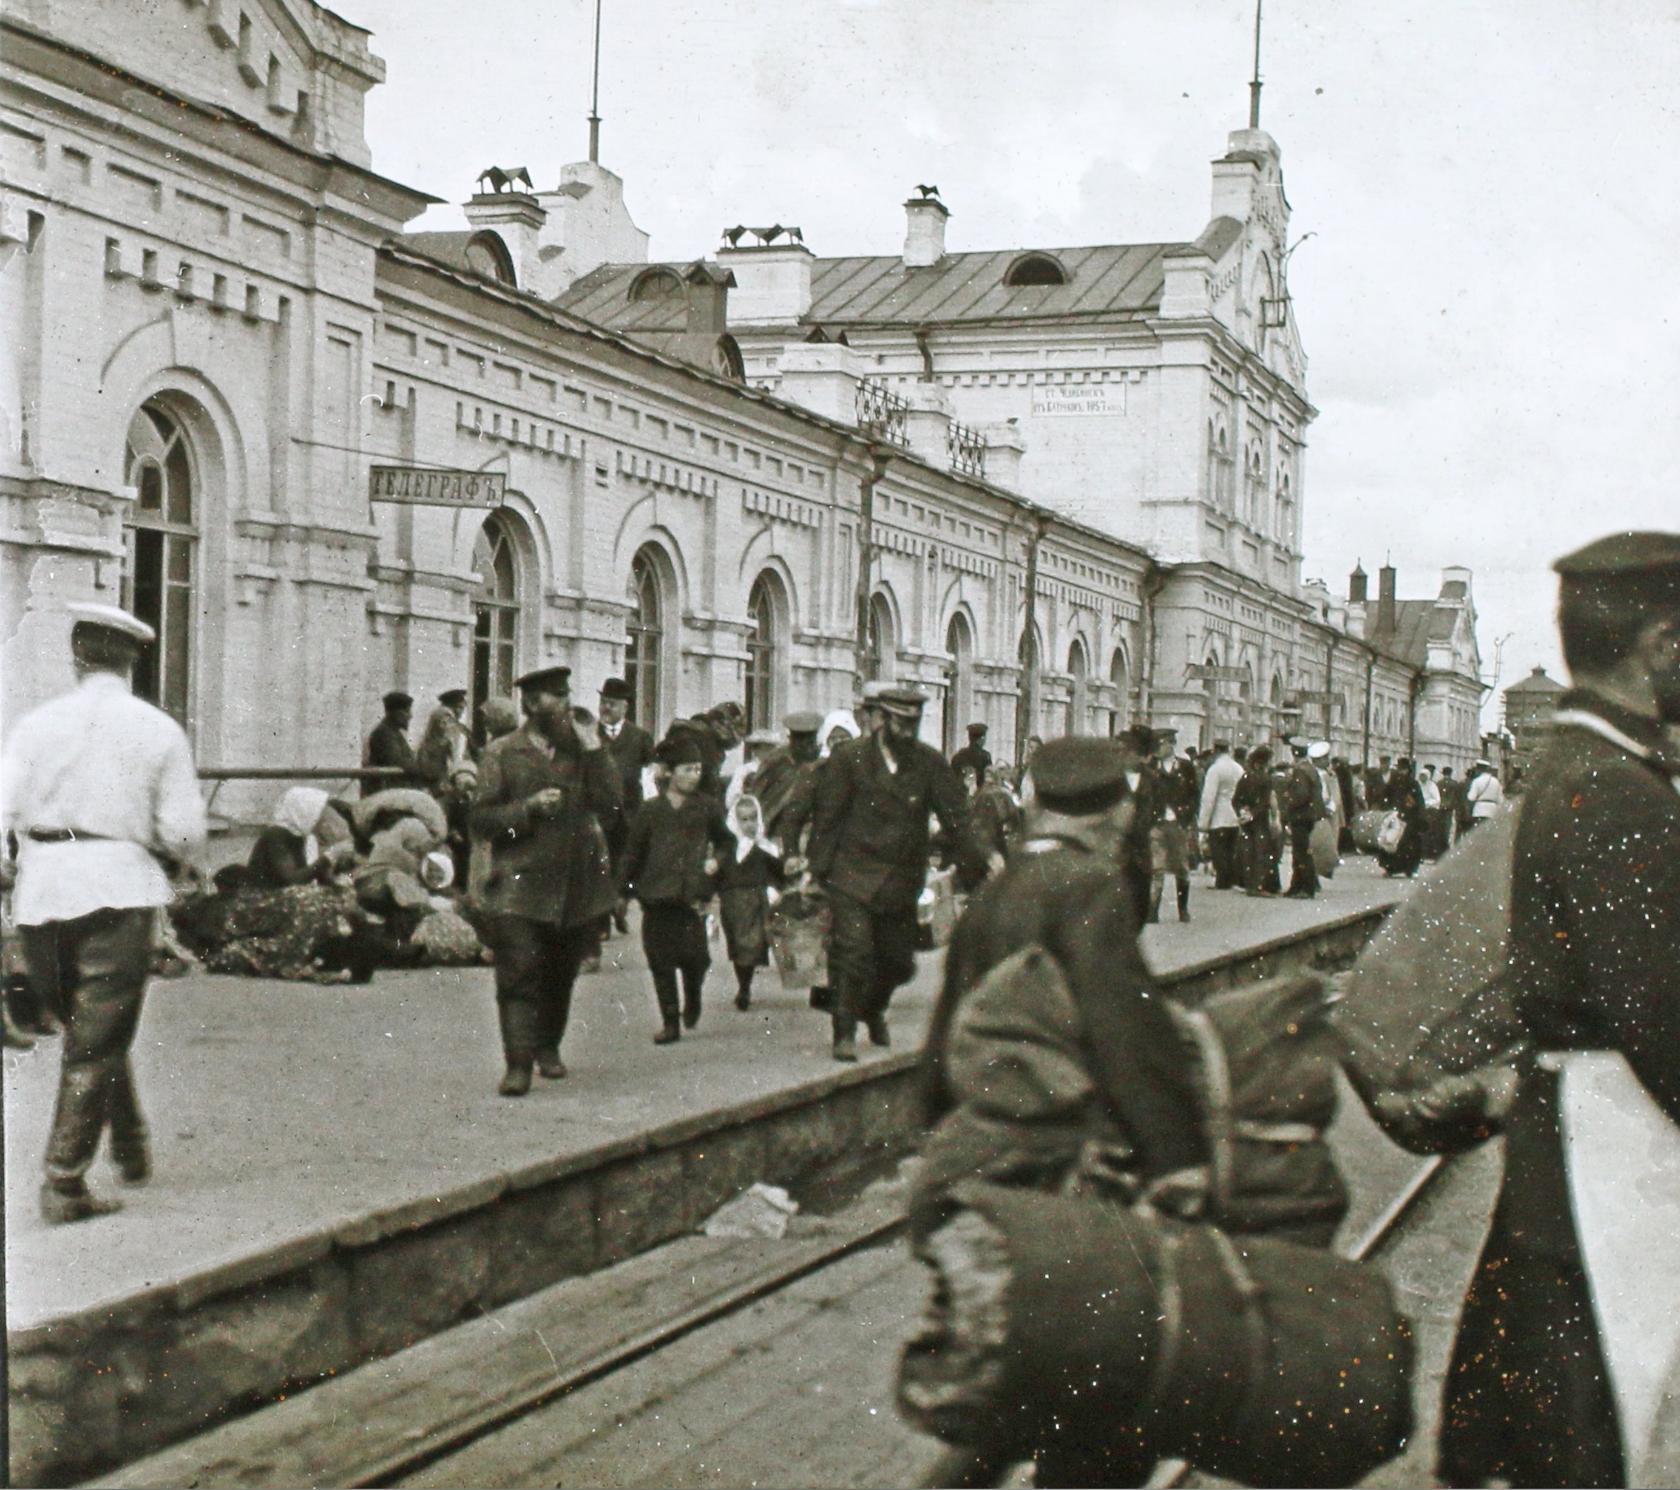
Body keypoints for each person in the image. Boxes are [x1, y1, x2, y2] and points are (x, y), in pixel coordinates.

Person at [1438, 532, 1680, 1489]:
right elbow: (1661, 1013)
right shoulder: (1620, 790)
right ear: (1661, 642)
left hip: (1582, 1131)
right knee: (1591, 1422)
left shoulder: (1587, 768)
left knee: (1556, 1411)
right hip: (1608, 1143)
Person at [913, 735, 1209, 1489]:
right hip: (1062, 1164)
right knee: (1104, 1393)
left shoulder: (1004, 889)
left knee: (1019, 1368)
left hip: (989, 1157)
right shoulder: (1090, 886)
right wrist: (1179, 1157)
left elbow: (950, 1022)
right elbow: (1125, 1032)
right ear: (1114, 814)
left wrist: (942, 1132)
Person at [1, 603, 207, 1223]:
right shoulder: (157, 729)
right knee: (98, 1036)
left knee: (85, 1026)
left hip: (42, 891)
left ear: (76, 657)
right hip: (118, 887)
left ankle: (131, 1141)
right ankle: (64, 1185)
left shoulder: (35, 724)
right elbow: (183, 831)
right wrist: (182, 861)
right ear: (133, 661)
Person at [808, 686, 989, 1062]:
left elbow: (958, 818)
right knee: (852, 952)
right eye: (900, 722)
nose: (907, 731)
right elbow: (828, 818)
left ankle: (872, 1009)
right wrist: (817, 871)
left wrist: (982, 865)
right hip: (852, 874)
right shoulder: (851, 759)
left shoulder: (928, 763)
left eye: (913, 723)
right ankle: (843, 1029)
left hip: (901, 878)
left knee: (898, 963)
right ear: (883, 720)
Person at [470, 666, 620, 1095]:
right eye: (558, 695)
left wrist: (594, 749)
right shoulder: (502, 752)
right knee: (517, 972)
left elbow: (611, 808)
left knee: (560, 974)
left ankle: (548, 1048)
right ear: (533, 705)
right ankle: (517, 1064)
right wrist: (528, 809)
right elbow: (481, 821)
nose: (568, 703)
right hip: (519, 882)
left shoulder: (583, 751)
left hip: (576, 884)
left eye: (566, 693)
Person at [619, 735, 732, 1044]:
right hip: (656, 897)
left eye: (697, 770)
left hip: (691, 897)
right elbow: (633, 853)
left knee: (697, 959)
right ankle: (670, 1021)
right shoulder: (650, 811)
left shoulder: (706, 807)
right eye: (687, 769)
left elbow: (726, 842)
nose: (694, 775)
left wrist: (715, 863)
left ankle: (693, 995)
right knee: (660, 961)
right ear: (668, 772)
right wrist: (622, 890)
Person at [596, 677, 656, 933]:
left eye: (612, 703)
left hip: (630, 815)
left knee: (626, 866)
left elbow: (649, 774)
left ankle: (619, 906)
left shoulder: (640, 737)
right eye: (603, 702)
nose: (606, 708)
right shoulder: (590, 735)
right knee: (598, 866)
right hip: (598, 815)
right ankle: (601, 922)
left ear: (625, 707)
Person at [715, 793, 784, 1012]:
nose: (749, 824)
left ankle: (744, 988)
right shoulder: (727, 849)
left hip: (757, 900)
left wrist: (778, 888)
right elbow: (717, 875)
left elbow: (779, 874)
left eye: (753, 818)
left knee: (751, 944)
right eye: (743, 819)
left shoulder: (765, 849)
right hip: (733, 902)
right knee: (739, 945)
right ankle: (743, 984)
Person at [1145, 732, 1197, 923]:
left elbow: (1193, 795)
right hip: (1156, 824)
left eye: (1164, 744)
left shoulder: (1185, 767)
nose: (1160, 748)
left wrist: (1186, 819)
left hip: (1177, 823)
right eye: (1157, 745)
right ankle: (1153, 911)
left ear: (1173, 744)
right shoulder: (1151, 767)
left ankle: (1183, 909)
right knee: (1157, 869)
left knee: (1181, 868)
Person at [751, 711, 822, 846]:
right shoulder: (776, 762)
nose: (808, 747)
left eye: (811, 741)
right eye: (800, 740)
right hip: (775, 834)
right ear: (792, 739)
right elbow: (759, 795)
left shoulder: (820, 762)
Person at [1197, 740, 1245, 889]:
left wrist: (1203, 822)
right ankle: (1230, 879)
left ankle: (1222, 880)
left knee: (1219, 850)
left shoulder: (1215, 769)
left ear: (1216, 751)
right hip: (1235, 815)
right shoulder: (1238, 768)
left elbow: (1209, 797)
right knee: (1231, 849)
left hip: (1219, 815)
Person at [1281, 740, 1325, 898]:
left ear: (1294, 753)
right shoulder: (1311, 769)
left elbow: (1301, 795)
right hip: (1310, 815)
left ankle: (1306, 888)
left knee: (1300, 853)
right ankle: (1297, 886)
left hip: (1301, 816)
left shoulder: (1300, 770)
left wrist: (1288, 801)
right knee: (1302, 851)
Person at [1234, 744, 1279, 895]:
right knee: (1261, 853)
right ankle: (1258, 886)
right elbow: (1265, 802)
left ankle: (1249, 884)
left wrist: (1242, 811)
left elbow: (1235, 799)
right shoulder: (1265, 779)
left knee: (1247, 852)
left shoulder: (1245, 777)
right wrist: (1253, 813)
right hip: (1260, 820)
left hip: (1246, 820)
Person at [1377, 758, 1427, 878]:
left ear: (1408, 770)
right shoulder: (1393, 783)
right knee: (1392, 841)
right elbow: (1385, 797)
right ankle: (1390, 868)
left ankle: (1409, 868)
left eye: (1403, 769)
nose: (1401, 772)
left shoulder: (1412, 783)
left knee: (1407, 843)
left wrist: (1419, 814)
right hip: (1396, 816)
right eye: (1400, 769)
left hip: (1409, 818)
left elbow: (1418, 801)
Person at [363, 691, 420, 792]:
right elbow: (397, 761)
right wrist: (421, 768)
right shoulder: (384, 733)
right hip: (386, 792)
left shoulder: (393, 732)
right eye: (407, 711)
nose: (410, 716)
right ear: (396, 713)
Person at [1464, 758, 1505, 829]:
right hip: (1492, 811)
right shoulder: (1496, 782)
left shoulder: (1476, 781)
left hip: (1479, 810)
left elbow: (1471, 797)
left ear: (1478, 770)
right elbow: (1501, 800)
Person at [949, 723, 991, 789]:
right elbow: (988, 777)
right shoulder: (985, 756)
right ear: (982, 739)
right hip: (980, 794)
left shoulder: (958, 756)